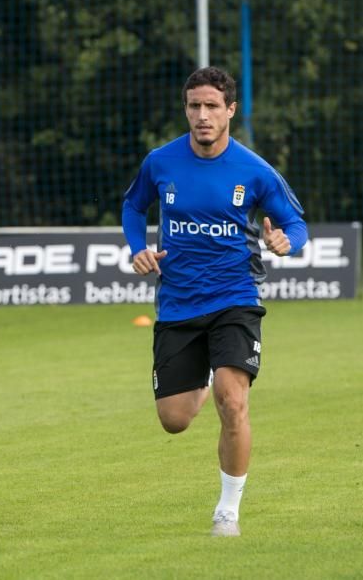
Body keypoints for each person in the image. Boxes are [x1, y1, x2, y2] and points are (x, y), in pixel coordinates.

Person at [121, 66, 308, 537]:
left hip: (235, 300)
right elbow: (132, 206)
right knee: (174, 420)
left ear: (230, 110)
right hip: (178, 305)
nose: (201, 116)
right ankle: (204, 368)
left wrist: (287, 243)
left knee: (233, 401)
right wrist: (136, 247)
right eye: (193, 106)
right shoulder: (160, 162)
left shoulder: (255, 170)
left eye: (210, 106)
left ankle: (228, 510)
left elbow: (296, 224)